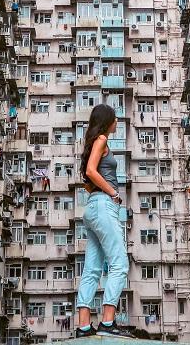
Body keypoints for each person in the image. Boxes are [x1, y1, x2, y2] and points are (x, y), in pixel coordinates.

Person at [75, 104, 131, 338]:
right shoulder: (101, 139)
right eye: (115, 118)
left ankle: (84, 326)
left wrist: (102, 194)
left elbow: (88, 180)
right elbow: (90, 172)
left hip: (93, 207)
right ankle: (107, 322)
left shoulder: (92, 144)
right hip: (104, 206)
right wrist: (113, 193)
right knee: (120, 264)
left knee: (92, 269)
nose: (117, 121)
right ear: (107, 121)